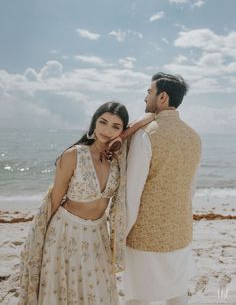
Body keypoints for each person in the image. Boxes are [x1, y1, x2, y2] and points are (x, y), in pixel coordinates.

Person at [19, 101, 155, 305]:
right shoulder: (74, 155)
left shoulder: (117, 158)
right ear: (94, 123)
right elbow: (55, 199)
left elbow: (150, 116)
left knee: (97, 293)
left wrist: (122, 137)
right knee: (66, 291)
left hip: (97, 235)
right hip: (65, 234)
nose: (107, 130)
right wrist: (41, 240)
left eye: (116, 126)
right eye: (103, 122)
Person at [124, 73, 202, 305]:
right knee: (177, 295)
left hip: (144, 236)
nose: (146, 96)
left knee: (138, 297)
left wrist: (121, 233)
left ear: (162, 97)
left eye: (150, 92)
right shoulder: (194, 137)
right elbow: (191, 190)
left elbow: (132, 192)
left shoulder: (146, 135)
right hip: (180, 231)